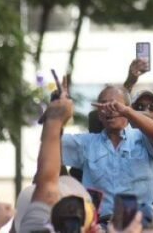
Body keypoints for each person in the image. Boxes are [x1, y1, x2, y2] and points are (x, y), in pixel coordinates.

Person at [61, 85, 153, 222]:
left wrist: (126, 111)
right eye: (103, 104)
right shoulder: (87, 143)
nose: (109, 109)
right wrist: (57, 114)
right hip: (100, 225)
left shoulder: (143, 139)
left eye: (115, 104)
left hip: (141, 224)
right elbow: (51, 144)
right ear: (99, 114)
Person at [17, 95, 100, 233]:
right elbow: (48, 183)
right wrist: (55, 121)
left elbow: (47, 181)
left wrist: (54, 119)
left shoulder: (34, 226)